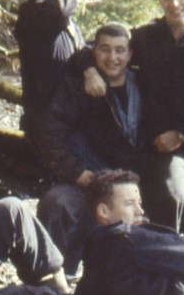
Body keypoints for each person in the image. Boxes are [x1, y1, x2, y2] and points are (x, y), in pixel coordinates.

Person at [81, 0, 184, 247]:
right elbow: (98, 47)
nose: (174, 4)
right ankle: (163, 260)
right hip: (154, 148)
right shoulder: (147, 38)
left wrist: (181, 133)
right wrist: (88, 69)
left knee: (178, 195)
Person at [35, 22, 149, 274]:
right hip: (91, 179)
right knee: (56, 202)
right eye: (105, 50)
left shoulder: (143, 85)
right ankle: (55, 279)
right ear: (94, 51)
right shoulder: (76, 86)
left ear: (130, 55)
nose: (113, 58)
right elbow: (47, 134)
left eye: (120, 51)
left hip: (133, 183)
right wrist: (77, 172)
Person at [14, 0, 86, 133]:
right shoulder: (32, 13)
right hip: (47, 126)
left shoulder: (68, 25)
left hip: (69, 121)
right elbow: (60, 10)